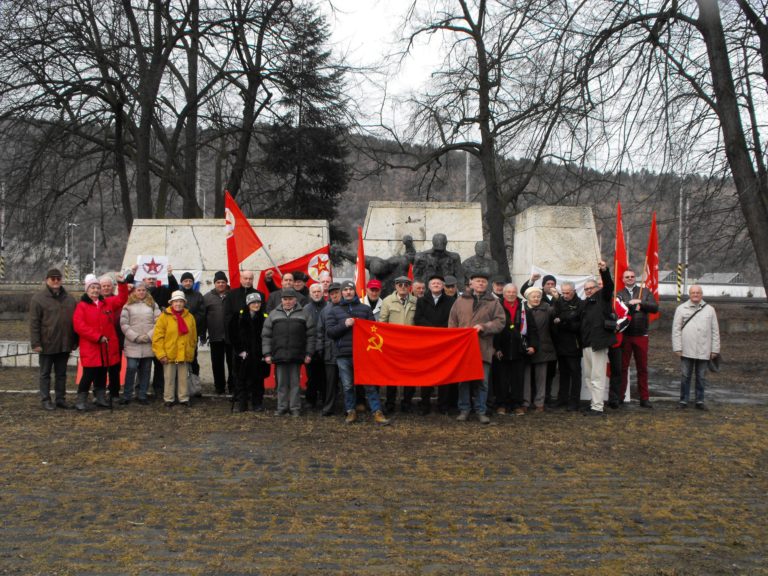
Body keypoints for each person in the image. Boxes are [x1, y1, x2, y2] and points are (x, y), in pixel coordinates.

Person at [325, 281, 389, 425]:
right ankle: (350, 411)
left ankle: (377, 412)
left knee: (369, 385)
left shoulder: (365, 309)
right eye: (345, 290)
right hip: (343, 354)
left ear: (355, 291)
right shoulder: (333, 311)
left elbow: (374, 330)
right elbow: (330, 332)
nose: (348, 292)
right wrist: (344, 325)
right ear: (342, 292)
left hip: (363, 354)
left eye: (350, 289)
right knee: (347, 385)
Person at [448, 271, 505, 424]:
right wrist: (456, 339)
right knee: (463, 381)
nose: (481, 283)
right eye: (478, 281)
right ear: (471, 283)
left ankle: (481, 410)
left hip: (483, 347)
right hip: (463, 349)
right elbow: (452, 323)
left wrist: (484, 326)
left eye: (484, 281)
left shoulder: (493, 302)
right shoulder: (460, 301)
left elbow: (500, 321)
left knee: (482, 381)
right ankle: (464, 409)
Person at [262, 288, 316, 417]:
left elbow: (311, 336)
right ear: (281, 300)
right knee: (281, 384)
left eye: (290, 299)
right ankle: (281, 407)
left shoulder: (304, 314)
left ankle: (295, 408)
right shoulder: (273, 314)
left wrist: (309, 353)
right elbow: (266, 336)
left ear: (295, 300)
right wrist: (267, 354)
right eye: (285, 299)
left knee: (295, 383)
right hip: (279, 354)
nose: (287, 302)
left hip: (297, 355)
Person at [29, 268, 78, 410]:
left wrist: (75, 340)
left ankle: (60, 399)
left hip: (65, 343)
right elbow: (34, 323)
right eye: (53, 278)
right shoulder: (38, 299)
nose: (56, 281)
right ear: (47, 280)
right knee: (45, 374)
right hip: (46, 343)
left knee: (61, 373)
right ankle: (45, 399)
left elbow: (75, 321)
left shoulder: (69, 299)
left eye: (58, 278)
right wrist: (35, 343)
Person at [72, 274, 123, 411]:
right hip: (91, 347)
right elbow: (79, 326)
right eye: (92, 288)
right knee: (88, 375)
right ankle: (81, 400)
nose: (95, 290)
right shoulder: (81, 306)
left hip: (105, 346)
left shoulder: (107, 303)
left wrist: (122, 283)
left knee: (102, 373)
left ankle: (100, 397)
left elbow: (122, 299)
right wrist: (97, 336)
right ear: (87, 290)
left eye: (97, 288)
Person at [672, 285, 720, 410]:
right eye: (693, 292)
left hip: (704, 349)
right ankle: (683, 400)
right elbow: (676, 330)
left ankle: (700, 401)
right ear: (689, 294)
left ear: (701, 294)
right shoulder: (681, 309)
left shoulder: (710, 310)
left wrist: (715, 349)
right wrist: (677, 347)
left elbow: (715, 331)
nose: (695, 294)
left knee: (701, 377)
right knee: (685, 376)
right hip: (686, 349)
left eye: (698, 292)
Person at [493, 283, 539, 416]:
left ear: (516, 292)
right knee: (502, 380)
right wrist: (496, 348)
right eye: (508, 292)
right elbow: (495, 330)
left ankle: (517, 405)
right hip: (502, 350)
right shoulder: (497, 306)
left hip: (519, 350)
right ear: (504, 293)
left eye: (514, 292)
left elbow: (532, 329)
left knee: (518, 380)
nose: (511, 294)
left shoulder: (524, 307)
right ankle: (502, 404)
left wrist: (533, 345)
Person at [617, 267, 659, 408]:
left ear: (635, 278)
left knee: (642, 368)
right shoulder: (620, 293)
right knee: (623, 367)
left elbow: (654, 307)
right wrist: (630, 304)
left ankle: (644, 398)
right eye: (627, 277)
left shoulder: (645, 291)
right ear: (623, 280)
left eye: (632, 276)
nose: (630, 278)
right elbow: (617, 309)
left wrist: (641, 303)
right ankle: (620, 396)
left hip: (641, 334)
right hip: (625, 334)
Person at [579, 261, 616, 416]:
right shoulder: (585, 303)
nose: (588, 291)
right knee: (588, 377)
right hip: (586, 344)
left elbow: (608, 286)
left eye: (591, 288)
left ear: (597, 288)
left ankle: (598, 407)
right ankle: (594, 403)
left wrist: (604, 271)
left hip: (598, 343)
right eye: (586, 289)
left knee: (597, 377)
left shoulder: (603, 297)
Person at [413, 274, 454, 414]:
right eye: (433, 283)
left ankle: (443, 405)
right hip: (427, 343)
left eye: (438, 283)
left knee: (444, 373)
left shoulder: (451, 301)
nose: (436, 284)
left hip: (444, 342)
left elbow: (452, 320)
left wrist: (440, 331)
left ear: (443, 286)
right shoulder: (421, 301)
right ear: (429, 286)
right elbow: (418, 319)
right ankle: (425, 405)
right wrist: (432, 330)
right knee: (427, 373)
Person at [379, 275, 418, 413]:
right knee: (392, 374)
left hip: (410, 345)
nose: (403, 287)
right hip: (393, 345)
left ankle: (407, 402)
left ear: (410, 287)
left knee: (410, 374)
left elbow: (417, 322)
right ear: (395, 286)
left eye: (406, 285)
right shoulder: (387, 301)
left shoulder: (415, 301)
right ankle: (390, 402)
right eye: (400, 285)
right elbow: (382, 322)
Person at [152, 290, 197, 407]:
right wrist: (161, 354)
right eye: (176, 301)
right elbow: (157, 338)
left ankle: (184, 398)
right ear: (171, 303)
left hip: (184, 353)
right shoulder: (164, 317)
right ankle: (169, 398)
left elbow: (193, 337)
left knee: (183, 378)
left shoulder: (190, 317)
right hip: (169, 352)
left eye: (180, 301)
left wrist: (190, 351)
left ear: (184, 303)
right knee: (169, 377)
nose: (178, 304)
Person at [119, 282, 160, 405]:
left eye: (143, 290)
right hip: (133, 343)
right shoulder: (128, 305)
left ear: (146, 291)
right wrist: (135, 337)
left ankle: (142, 395)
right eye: (138, 290)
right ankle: (127, 395)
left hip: (148, 342)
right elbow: (124, 324)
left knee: (146, 370)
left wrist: (148, 336)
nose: (141, 292)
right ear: (134, 292)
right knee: (131, 368)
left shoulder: (153, 305)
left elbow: (158, 323)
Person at [233, 292, 269, 412]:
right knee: (241, 380)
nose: (256, 304)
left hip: (259, 355)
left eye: (258, 302)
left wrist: (265, 353)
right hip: (243, 355)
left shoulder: (265, 317)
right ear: (248, 304)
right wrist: (240, 351)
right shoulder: (239, 316)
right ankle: (242, 404)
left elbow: (269, 336)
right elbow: (232, 334)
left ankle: (257, 403)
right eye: (253, 302)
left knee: (258, 380)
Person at [523, 286, 556, 413]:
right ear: (528, 298)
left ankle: (539, 403)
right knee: (526, 377)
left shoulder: (547, 308)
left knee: (541, 377)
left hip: (543, 347)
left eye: (538, 296)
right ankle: (525, 402)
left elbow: (556, 311)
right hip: (527, 347)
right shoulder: (523, 309)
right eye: (533, 296)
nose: (536, 299)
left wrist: (556, 298)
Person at [552, 281, 582, 411]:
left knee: (575, 373)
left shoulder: (580, 304)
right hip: (560, 343)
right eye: (563, 292)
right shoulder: (559, 302)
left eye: (567, 292)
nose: (565, 295)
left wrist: (563, 321)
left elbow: (577, 324)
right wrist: (565, 320)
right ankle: (562, 398)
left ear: (574, 291)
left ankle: (574, 401)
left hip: (574, 344)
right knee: (563, 373)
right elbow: (554, 317)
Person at [98, 273, 129, 401]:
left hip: (116, 339)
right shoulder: (95, 301)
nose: (106, 288)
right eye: (103, 286)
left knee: (115, 368)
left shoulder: (114, 300)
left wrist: (122, 283)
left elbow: (123, 298)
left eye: (108, 286)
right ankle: (99, 394)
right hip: (99, 340)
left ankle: (114, 393)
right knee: (100, 370)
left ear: (112, 287)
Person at [202, 271, 233, 394]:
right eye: (218, 282)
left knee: (232, 363)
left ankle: (233, 386)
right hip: (215, 337)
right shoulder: (207, 297)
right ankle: (219, 387)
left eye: (223, 282)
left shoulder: (232, 295)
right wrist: (203, 334)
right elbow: (203, 317)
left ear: (226, 283)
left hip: (231, 337)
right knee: (217, 364)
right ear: (215, 283)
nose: (221, 284)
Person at [178, 271, 206, 395]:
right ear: (181, 282)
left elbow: (202, 313)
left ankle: (195, 387)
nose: (188, 283)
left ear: (193, 282)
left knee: (193, 359)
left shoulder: (198, 295)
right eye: (185, 281)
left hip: (192, 334)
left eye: (190, 281)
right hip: (177, 334)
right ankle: (180, 387)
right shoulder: (178, 296)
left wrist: (189, 321)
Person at [317, 282, 343, 416]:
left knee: (347, 383)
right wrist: (320, 349)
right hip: (329, 352)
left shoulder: (347, 308)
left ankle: (348, 408)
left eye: (336, 292)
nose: (334, 295)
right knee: (330, 383)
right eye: (332, 293)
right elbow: (320, 331)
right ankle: (328, 408)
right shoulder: (325, 311)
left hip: (346, 352)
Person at [303, 283, 328, 408]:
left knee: (325, 377)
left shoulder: (329, 307)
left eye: (319, 291)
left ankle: (325, 401)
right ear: (310, 294)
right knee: (311, 377)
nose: (317, 294)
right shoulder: (306, 309)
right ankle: (310, 400)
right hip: (311, 347)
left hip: (326, 346)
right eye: (314, 292)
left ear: (323, 293)